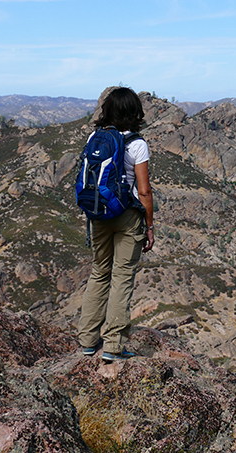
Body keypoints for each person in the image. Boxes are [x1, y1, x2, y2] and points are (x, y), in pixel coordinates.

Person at [78, 86, 155, 362]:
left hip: (98, 214)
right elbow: (144, 191)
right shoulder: (137, 144)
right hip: (127, 217)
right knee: (122, 276)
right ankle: (113, 346)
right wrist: (149, 226)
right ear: (135, 112)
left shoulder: (94, 137)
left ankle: (87, 340)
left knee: (99, 272)